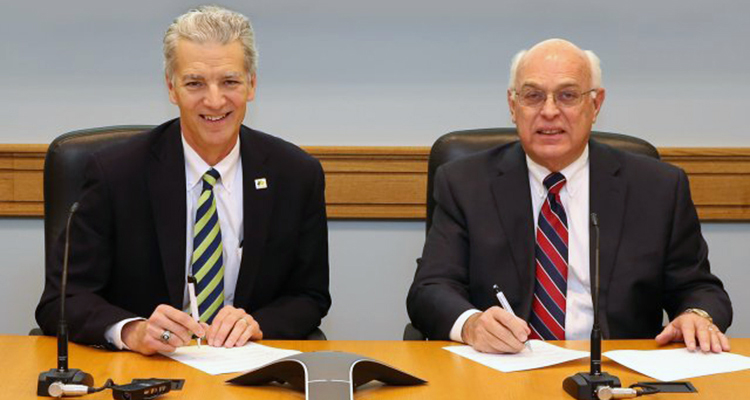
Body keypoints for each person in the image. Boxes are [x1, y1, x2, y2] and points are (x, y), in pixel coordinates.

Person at [36, 5, 330, 355]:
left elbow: (309, 296)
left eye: (230, 82)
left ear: (251, 84)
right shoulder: (115, 173)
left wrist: (258, 323)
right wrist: (132, 331)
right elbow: (63, 299)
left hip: (246, 366)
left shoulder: (295, 175)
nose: (214, 100)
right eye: (195, 83)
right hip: (145, 370)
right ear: (171, 88)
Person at [407, 38, 732, 354]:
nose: (549, 111)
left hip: (616, 370)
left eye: (567, 95)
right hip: (502, 367)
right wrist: (471, 324)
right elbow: (430, 289)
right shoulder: (465, 183)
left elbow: (699, 288)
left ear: (595, 104)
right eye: (533, 96)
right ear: (513, 105)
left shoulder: (657, 187)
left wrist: (696, 315)